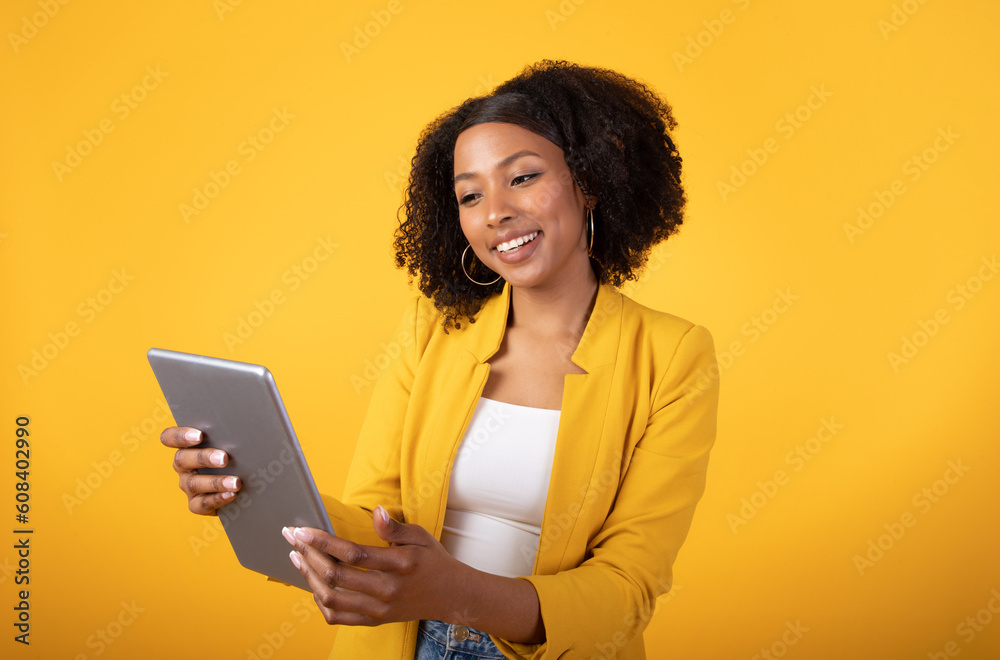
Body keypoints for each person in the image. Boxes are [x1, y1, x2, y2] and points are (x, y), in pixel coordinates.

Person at [160, 60, 719, 659]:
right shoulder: (433, 330)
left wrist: (459, 594)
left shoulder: (672, 355)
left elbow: (627, 590)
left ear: (590, 180)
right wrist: (257, 492)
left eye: (522, 177)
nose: (494, 212)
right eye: (470, 195)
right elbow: (378, 519)